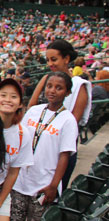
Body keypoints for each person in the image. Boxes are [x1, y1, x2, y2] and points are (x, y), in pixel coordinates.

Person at [11, 71, 78, 221]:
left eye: (59, 88)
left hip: (43, 184)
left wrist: (54, 185)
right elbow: (20, 138)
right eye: (49, 86)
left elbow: (65, 156)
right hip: (20, 181)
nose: (52, 91)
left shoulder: (68, 120)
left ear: (67, 92)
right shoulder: (34, 111)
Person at [27, 39, 91, 191]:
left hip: (60, 151)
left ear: (66, 59)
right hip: (36, 148)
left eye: (54, 59)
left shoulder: (79, 86)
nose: (50, 64)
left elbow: (73, 123)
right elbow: (31, 106)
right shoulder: (45, 79)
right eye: (48, 60)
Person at [0, 79, 33, 221]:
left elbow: (13, 172)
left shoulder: (23, 134)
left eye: (13, 96)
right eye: (3, 95)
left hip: (0, 193)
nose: (8, 100)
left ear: (20, 103)